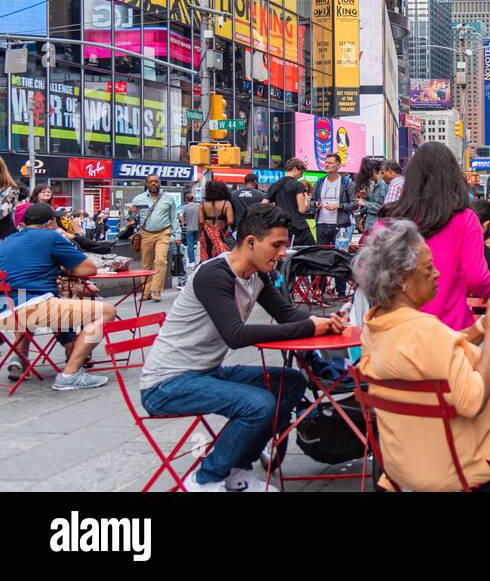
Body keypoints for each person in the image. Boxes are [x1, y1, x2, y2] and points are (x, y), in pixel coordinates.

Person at [138, 205, 345, 491]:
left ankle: (236, 471)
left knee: (291, 382)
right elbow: (236, 335)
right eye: (277, 245)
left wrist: (326, 322)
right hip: (166, 384)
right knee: (259, 405)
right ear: (250, 242)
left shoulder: (257, 275)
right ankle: (204, 480)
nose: (283, 253)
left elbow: (287, 315)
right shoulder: (214, 275)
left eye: (284, 245)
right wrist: (310, 326)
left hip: (205, 373)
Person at [355, 220, 490, 492]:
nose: (437, 274)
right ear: (402, 280)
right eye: (428, 268)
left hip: (401, 460)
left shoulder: (375, 327)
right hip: (451, 459)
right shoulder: (425, 330)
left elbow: (447, 345)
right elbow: (473, 402)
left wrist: (485, 324)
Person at [382, 143, 490, 362]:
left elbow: (370, 277)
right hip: (452, 335)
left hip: (394, 339)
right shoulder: (465, 219)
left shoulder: (387, 221)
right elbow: (477, 278)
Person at [0, 203, 116, 390]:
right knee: (107, 311)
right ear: (50, 223)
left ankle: (26, 358)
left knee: (55, 303)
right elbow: (88, 268)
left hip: (6, 310)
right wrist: (63, 269)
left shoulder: (8, 240)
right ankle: (70, 374)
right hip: (31, 307)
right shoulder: (50, 236)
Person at [129, 174, 182, 303]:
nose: (153, 184)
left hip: (163, 233)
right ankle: (146, 292)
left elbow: (174, 217)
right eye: (151, 182)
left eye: (156, 181)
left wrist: (178, 235)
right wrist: (131, 213)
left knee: (160, 261)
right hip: (145, 234)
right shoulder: (138, 199)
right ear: (146, 184)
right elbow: (131, 219)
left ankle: (156, 291)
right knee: (146, 264)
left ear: (160, 183)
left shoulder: (168, 199)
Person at [265, 158, 313, 248]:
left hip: (282, 226)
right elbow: (302, 209)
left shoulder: (275, 185)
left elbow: (263, 204)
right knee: (309, 252)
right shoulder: (298, 185)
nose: (300, 176)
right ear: (294, 169)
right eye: (300, 173)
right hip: (299, 227)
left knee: (285, 254)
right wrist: (307, 201)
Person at [198, 181, 236, 265]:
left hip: (206, 234)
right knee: (222, 254)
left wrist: (200, 233)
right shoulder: (226, 203)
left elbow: (201, 222)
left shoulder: (202, 204)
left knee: (206, 255)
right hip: (221, 233)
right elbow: (230, 221)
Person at [353, 158, 386, 235]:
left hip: (377, 228)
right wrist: (365, 197)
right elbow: (375, 203)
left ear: (374, 172)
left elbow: (383, 208)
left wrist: (364, 202)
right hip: (373, 226)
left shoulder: (382, 184)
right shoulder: (377, 184)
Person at [181, 191, 200, 268]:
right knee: (197, 244)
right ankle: (199, 260)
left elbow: (181, 215)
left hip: (189, 228)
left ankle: (191, 262)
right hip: (198, 228)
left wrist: (183, 222)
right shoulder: (198, 206)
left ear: (186, 199)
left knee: (190, 245)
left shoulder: (185, 207)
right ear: (193, 199)